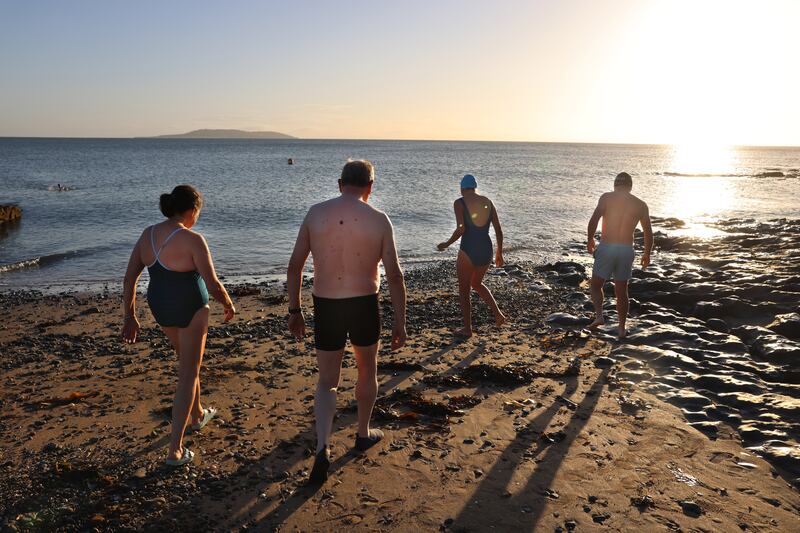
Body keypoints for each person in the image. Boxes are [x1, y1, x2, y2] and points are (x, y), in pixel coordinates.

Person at [287, 159, 407, 484]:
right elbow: (394, 276)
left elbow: (294, 266)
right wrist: (400, 321)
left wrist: (294, 310)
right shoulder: (379, 220)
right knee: (368, 370)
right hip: (364, 303)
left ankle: (323, 446)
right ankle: (363, 433)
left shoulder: (316, 213)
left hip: (326, 304)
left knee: (327, 380)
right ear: (370, 186)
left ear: (340, 183)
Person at [121, 185, 236, 466]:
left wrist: (130, 316)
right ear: (191, 211)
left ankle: (197, 415)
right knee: (188, 374)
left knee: (187, 362)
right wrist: (228, 304)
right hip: (191, 307)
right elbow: (213, 284)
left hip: (161, 306)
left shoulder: (147, 235)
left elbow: (129, 279)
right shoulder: (193, 239)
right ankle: (175, 450)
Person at [437, 174, 505, 338]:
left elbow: (461, 229)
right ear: (475, 187)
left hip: (469, 249)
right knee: (477, 283)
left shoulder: (459, 203)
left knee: (464, 290)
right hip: (486, 250)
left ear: (462, 188)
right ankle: (498, 314)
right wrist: (499, 253)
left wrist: (446, 244)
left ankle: (467, 329)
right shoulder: (488, 202)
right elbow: (498, 229)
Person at [586, 172, 653, 339]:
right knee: (622, 291)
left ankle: (600, 315)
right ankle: (622, 328)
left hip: (607, 246)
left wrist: (590, 240)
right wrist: (647, 253)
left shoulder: (607, 198)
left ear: (615, 185)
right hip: (625, 249)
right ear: (630, 186)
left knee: (595, 285)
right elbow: (648, 233)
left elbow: (594, 220)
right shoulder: (640, 204)